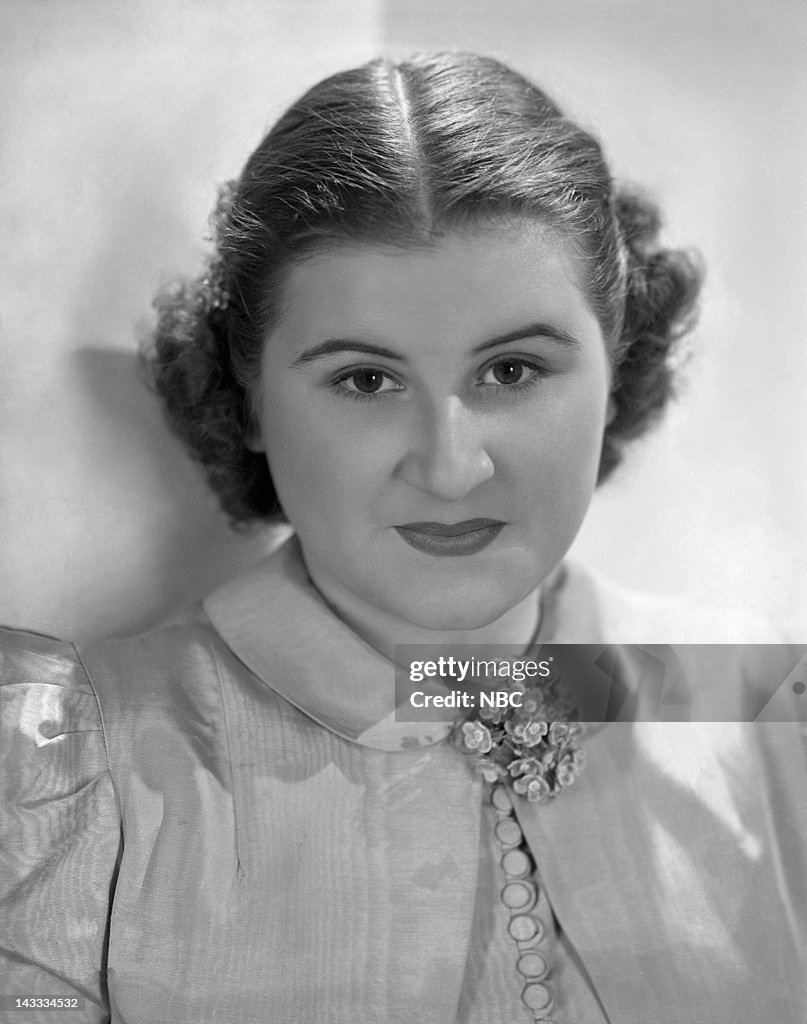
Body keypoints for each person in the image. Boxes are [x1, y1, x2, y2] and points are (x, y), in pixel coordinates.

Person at [1, 52, 805, 1024]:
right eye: (366, 381)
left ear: (617, 358)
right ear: (247, 395)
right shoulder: (68, 758)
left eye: (512, 369)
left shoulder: (772, 720)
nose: (451, 466)